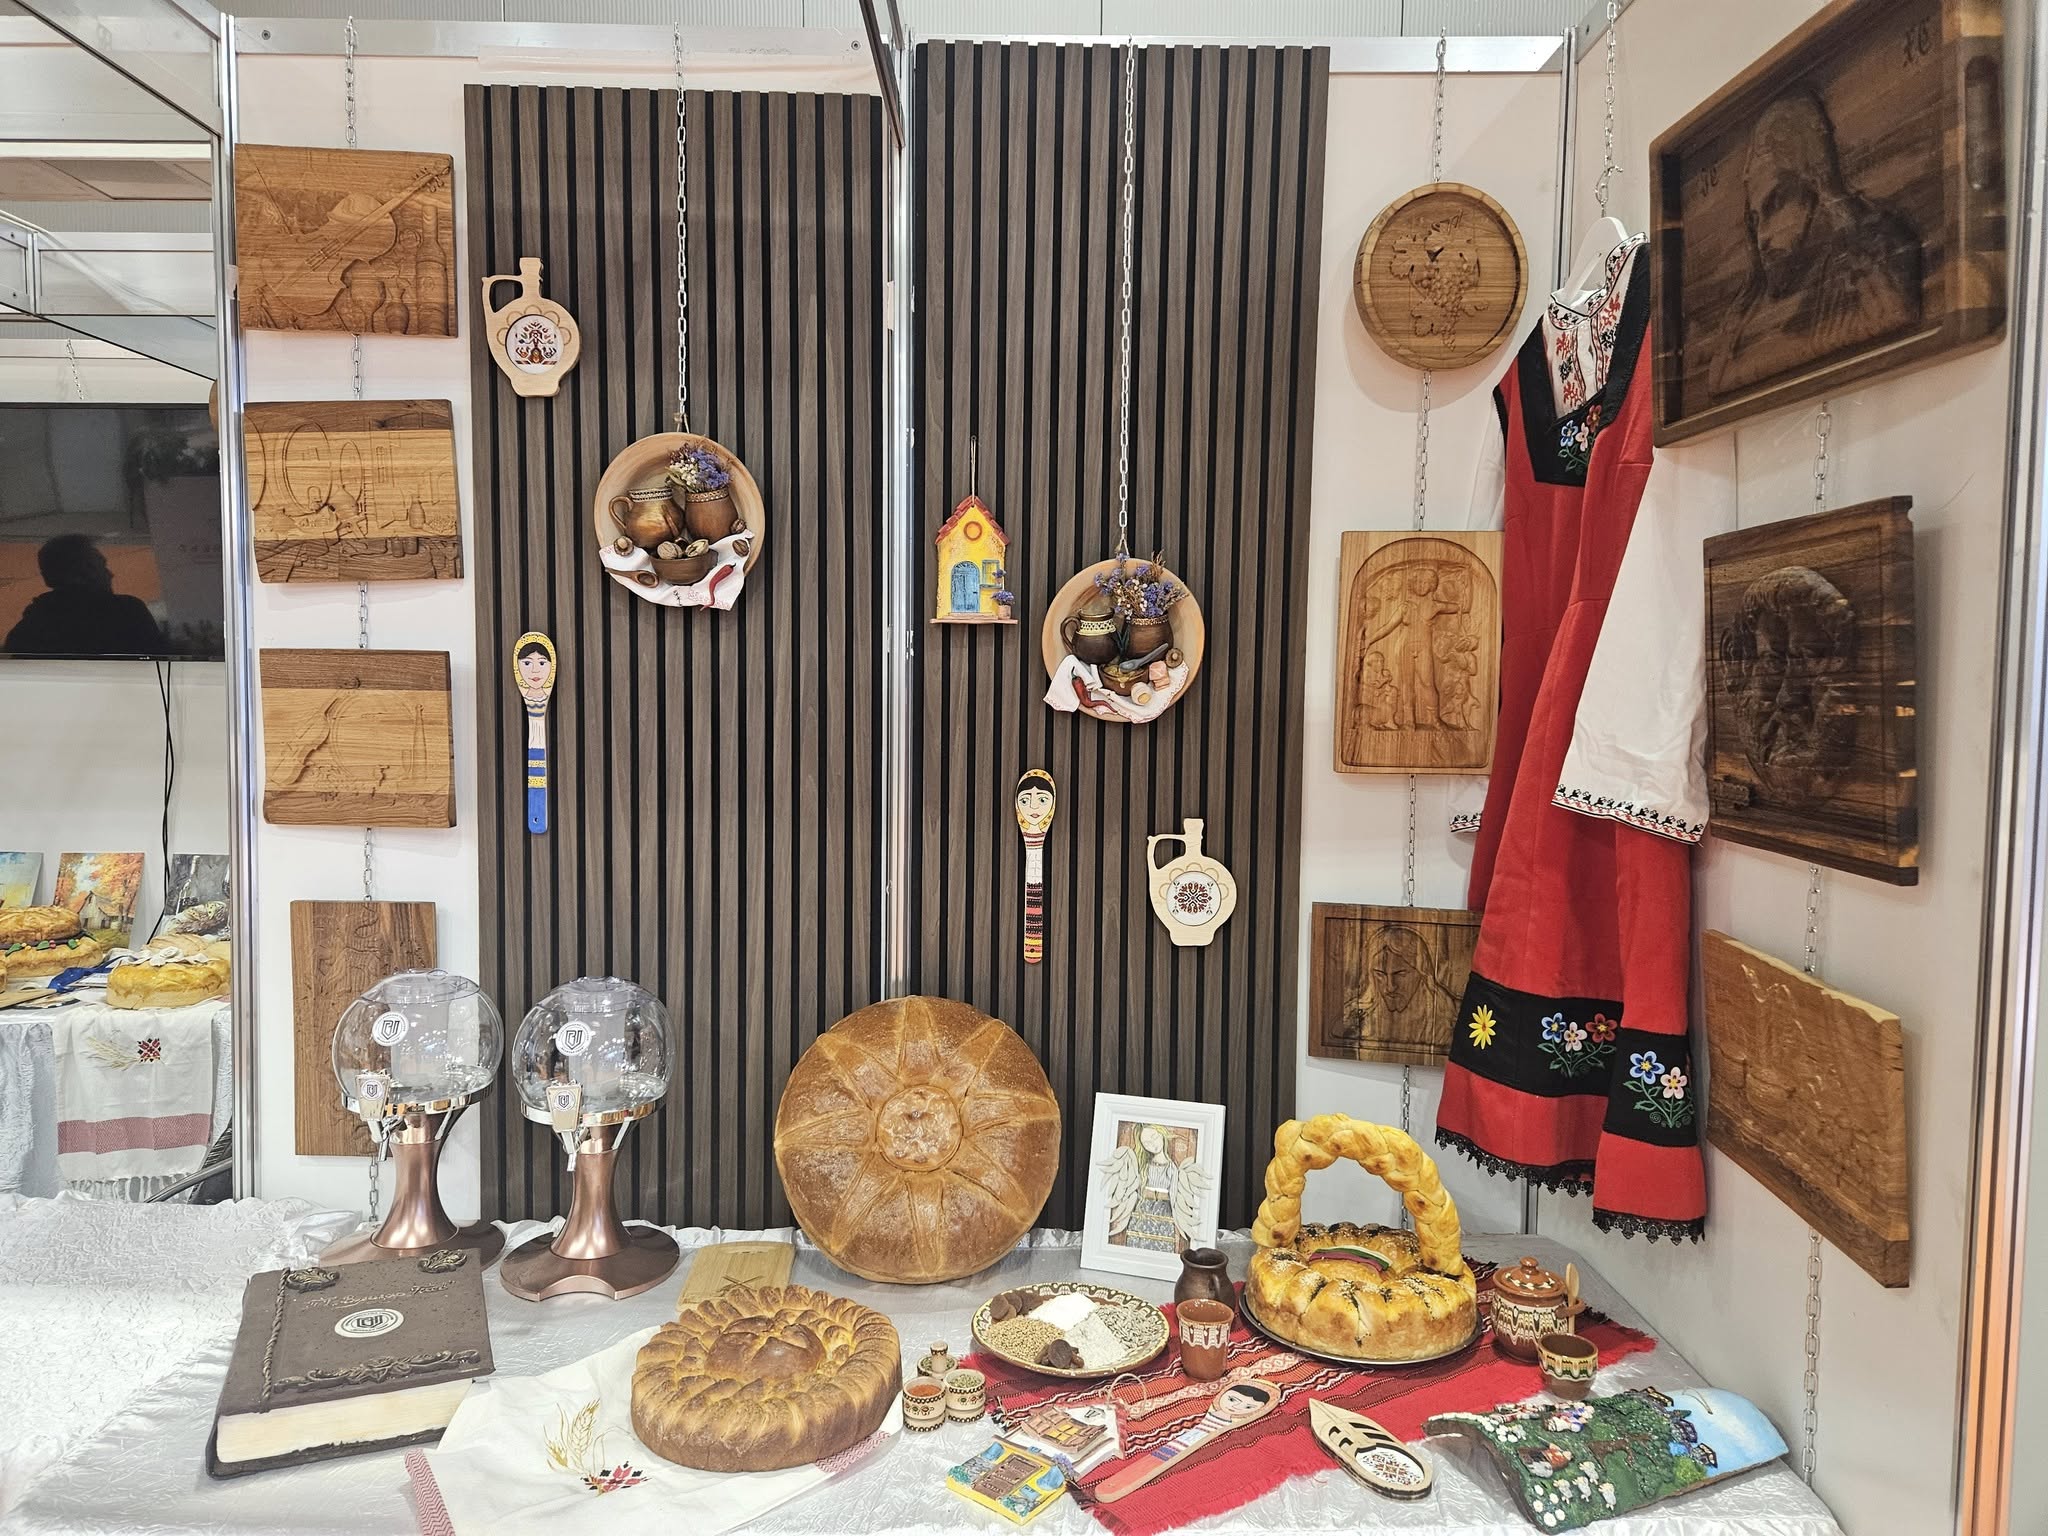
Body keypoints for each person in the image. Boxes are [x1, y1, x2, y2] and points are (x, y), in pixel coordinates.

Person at [1709, 88, 1921, 397]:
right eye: (1755, 219)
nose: (1763, 235)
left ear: (1814, 182)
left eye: (1776, 203)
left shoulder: (1878, 251)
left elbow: (1893, 314)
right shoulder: (1747, 315)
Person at [5, 533, 165, 657]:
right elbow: (158, 660)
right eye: (100, 567)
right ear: (82, 575)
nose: (110, 574)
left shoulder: (26, 631)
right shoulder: (127, 612)